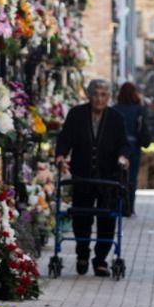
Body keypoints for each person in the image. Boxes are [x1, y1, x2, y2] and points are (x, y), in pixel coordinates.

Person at [54, 79, 129, 276]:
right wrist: (61, 155)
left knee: (106, 217)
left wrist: (123, 157)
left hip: (108, 176)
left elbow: (123, 142)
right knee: (82, 217)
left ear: (109, 97)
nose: (99, 99)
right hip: (82, 174)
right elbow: (65, 138)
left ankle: (101, 259)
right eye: (95, 94)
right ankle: (82, 254)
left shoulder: (116, 118)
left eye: (104, 95)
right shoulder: (77, 114)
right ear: (89, 95)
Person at [113, 82, 149, 217]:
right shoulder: (138, 109)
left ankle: (118, 205)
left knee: (117, 176)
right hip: (134, 146)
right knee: (132, 178)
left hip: (118, 146)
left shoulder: (115, 109)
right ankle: (130, 207)